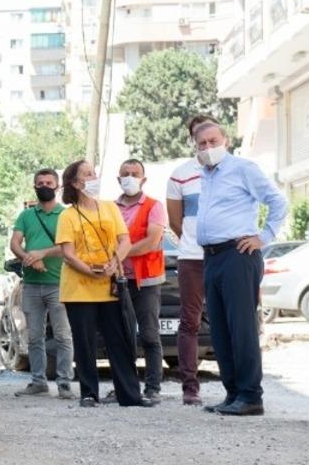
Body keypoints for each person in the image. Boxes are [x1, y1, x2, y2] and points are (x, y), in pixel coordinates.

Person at [193, 121, 287, 417]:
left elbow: (277, 201)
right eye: (202, 144)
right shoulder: (205, 175)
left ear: (226, 140)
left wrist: (263, 237)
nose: (208, 148)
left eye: (213, 141)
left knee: (241, 327)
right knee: (219, 329)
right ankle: (233, 393)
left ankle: (250, 396)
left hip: (238, 254)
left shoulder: (243, 168)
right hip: (212, 257)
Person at [55, 161, 150, 408]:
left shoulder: (109, 208)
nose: (93, 177)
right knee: (84, 342)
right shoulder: (67, 215)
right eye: (87, 174)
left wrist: (113, 262)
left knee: (120, 339)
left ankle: (130, 395)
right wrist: (90, 271)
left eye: (94, 173)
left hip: (110, 285)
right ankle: (88, 393)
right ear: (75, 183)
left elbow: (125, 240)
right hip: (78, 288)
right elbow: (68, 252)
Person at [166, 114, 218, 406]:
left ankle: (239, 385)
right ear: (193, 140)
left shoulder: (235, 169)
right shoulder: (180, 174)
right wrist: (195, 238)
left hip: (225, 256)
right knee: (190, 322)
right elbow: (176, 222)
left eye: (212, 136)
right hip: (192, 257)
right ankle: (190, 387)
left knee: (230, 321)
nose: (206, 142)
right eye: (200, 137)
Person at [10, 169, 74, 399]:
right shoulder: (26, 215)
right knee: (34, 336)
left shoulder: (67, 215)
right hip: (31, 284)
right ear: (34, 186)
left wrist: (40, 254)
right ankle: (38, 381)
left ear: (57, 186)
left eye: (49, 182)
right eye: (40, 182)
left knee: (63, 335)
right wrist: (27, 257)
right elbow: (15, 243)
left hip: (59, 282)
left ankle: (65, 383)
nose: (44, 185)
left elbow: (69, 246)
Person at [114, 159, 167, 403]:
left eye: (135, 173)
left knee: (148, 335)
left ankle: (153, 387)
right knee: (122, 336)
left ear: (143, 179)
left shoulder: (154, 206)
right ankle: (125, 387)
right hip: (118, 280)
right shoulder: (110, 208)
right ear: (118, 179)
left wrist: (119, 253)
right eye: (125, 173)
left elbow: (152, 242)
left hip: (146, 280)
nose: (130, 177)